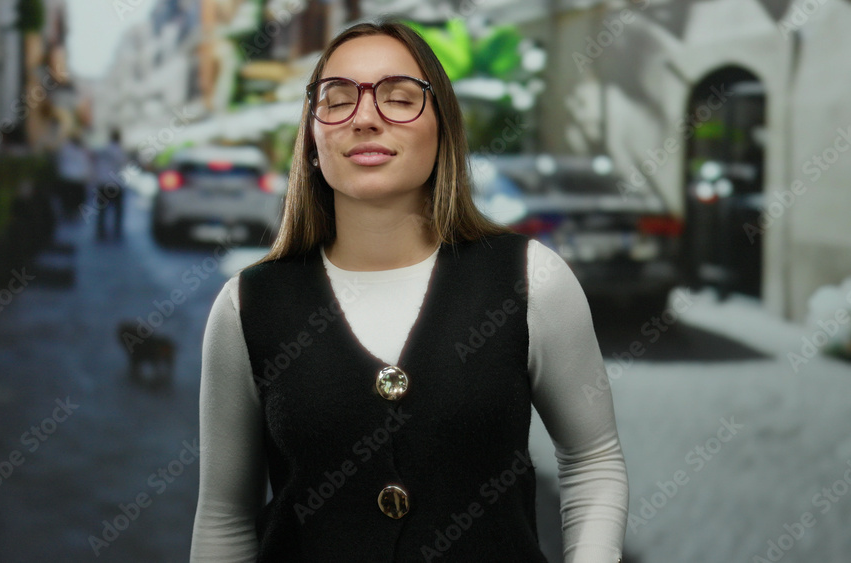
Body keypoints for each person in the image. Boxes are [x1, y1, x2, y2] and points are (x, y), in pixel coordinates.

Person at [191, 20, 629, 562]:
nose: (366, 118)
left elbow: (593, 461)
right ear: (311, 137)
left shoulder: (532, 279)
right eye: (338, 99)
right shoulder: (246, 307)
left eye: (399, 98)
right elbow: (224, 518)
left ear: (442, 128)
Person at [94, 129, 128, 240]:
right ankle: (117, 232)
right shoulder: (120, 151)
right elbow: (124, 165)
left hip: (103, 182)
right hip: (115, 184)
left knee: (102, 210)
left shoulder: (102, 150)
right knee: (118, 211)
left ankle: (100, 232)